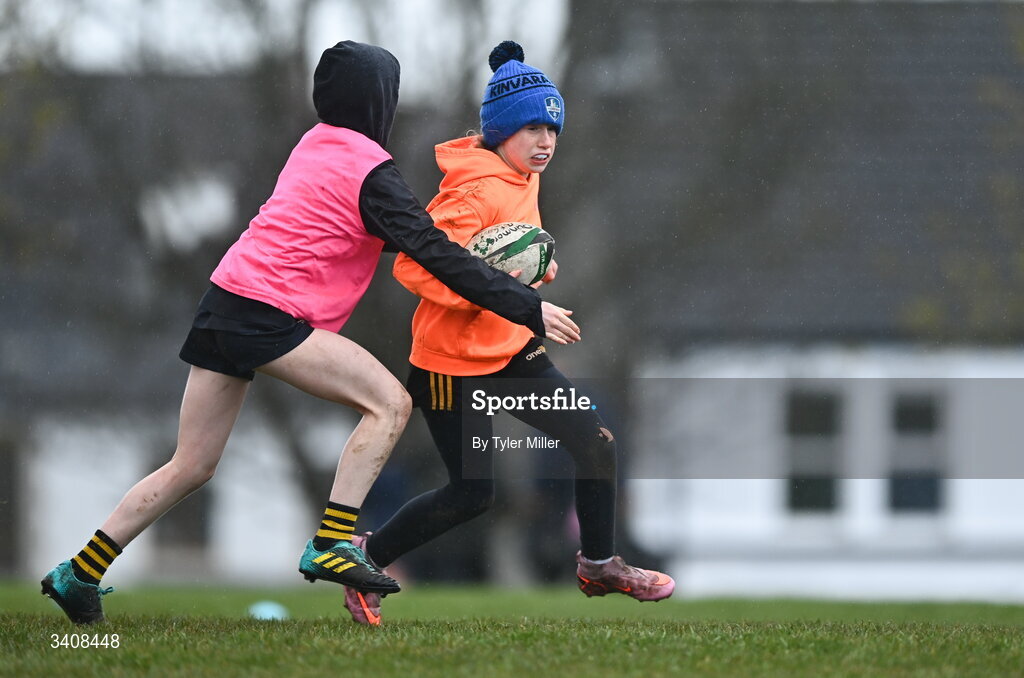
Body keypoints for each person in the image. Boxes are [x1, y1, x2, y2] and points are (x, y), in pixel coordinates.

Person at [40, 40, 581, 626]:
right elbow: (431, 251)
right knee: (391, 403)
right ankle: (332, 539)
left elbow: (378, 236)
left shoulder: (314, 145)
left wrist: (495, 258)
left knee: (191, 464)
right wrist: (525, 304)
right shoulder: (373, 170)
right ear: (381, 102)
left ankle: (79, 572)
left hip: (223, 304)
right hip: (268, 315)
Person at [341, 41, 674, 626]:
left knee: (595, 440)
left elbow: (505, 253)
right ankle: (367, 559)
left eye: (553, 129)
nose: (545, 142)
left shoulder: (525, 175)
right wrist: (505, 285)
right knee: (472, 495)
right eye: (531, 129)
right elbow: (414, 266)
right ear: (500, 133)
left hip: (511, 351)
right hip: (449, 366)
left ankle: (598, 564)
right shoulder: (472, 190)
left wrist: (535, 265)